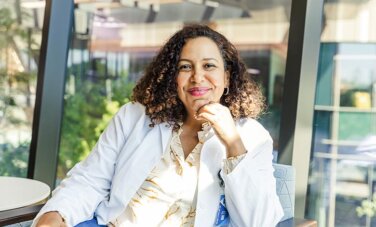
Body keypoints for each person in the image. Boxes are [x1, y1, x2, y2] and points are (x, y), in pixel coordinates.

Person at [34, 24, 283, 227]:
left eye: (209, 66)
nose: (197, 77)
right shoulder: (135, 117)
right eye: (185, 67)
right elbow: (91, 179)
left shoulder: (250, 136)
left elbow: (260, 221)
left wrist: (232, 142)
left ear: (226, 77)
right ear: (173, 78)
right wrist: (56, 214)